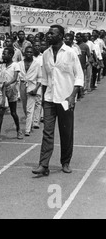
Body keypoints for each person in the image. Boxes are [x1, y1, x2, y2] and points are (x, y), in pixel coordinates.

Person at [32, 25, 84, 176]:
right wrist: (42, 99)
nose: (48, 36)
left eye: (52, 33)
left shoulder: (70, 53)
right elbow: (45, 78)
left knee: (66, 132)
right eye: (48, 33)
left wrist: (73, 96)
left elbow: (79, 76)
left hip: (65, 98)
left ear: (61, 36)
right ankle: (44, 164)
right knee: (47, 132)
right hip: (49, 98)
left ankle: (65, 162)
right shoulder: (46, 54)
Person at [18, 46, 41, 137]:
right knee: (24, 107)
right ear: (24, 53)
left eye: (31, 52)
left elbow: (40, 78)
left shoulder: (36, 64)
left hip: (32, 85)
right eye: (27, 52)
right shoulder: (19, 64)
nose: (29, 54)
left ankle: (27, 129)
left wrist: (36, 88)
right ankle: (30, 124)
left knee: (29, 108)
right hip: (22, 85)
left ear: (33, 53)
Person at [0, 47, 22, 139]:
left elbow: (15, 78)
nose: (3, 55)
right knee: (0, 112)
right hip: (2, 90)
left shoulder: (15, 65)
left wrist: (7, 83)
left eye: (5, 54)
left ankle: (18, 130)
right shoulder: (1, 65)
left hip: (12, 90)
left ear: (11, 55)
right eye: (3, 53)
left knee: (13, 112)